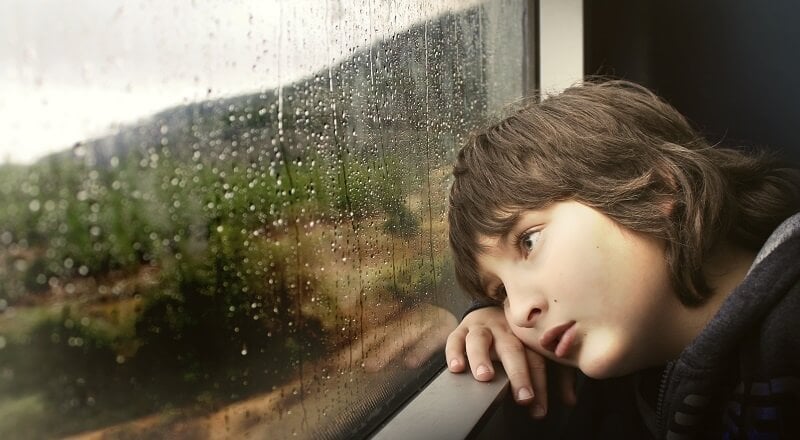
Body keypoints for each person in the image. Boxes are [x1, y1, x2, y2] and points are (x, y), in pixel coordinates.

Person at [443, 79, 800, 438]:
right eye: (501, 292)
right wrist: (485, 316)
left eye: (529, 241)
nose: (519, 312)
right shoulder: (628, 376)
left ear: (655, 186)